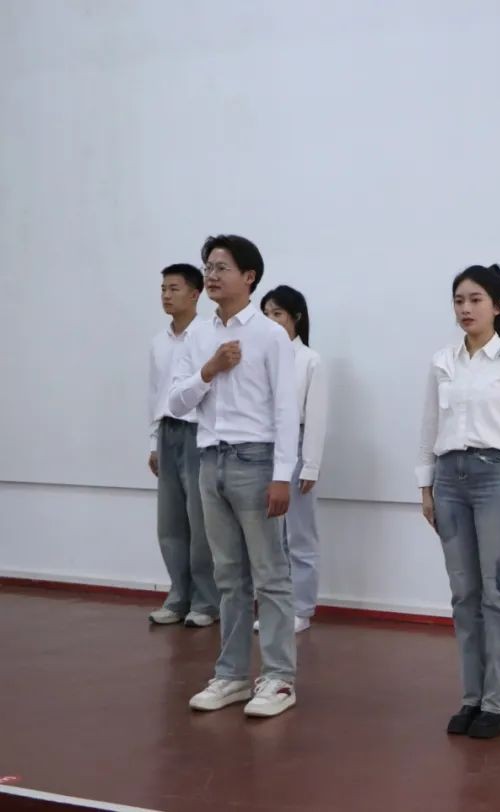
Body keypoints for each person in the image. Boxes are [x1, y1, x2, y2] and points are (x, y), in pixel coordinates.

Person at [169, 234, 300, 718]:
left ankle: (279, 678)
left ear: (249, 276)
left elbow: (286, 409)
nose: (211, 275)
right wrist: (209, 369)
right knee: (228, 577)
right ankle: (232, 675)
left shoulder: (269, 335)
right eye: (208, 266)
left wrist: (282, 475)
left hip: (256, 460)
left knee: (271, 576)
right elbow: (176, 402)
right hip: (210, 460)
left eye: (221, 267)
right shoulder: (198, 337)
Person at [416, 264, 500, 739]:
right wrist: (426, 486)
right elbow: (429, 426)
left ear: (497, 306)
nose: (465, 309)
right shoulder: (442, 362)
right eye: (459, 301)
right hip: (450, 480)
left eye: (475, 300)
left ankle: (498, 703)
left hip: (496, 480)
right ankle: (471, 697)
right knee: (464, 594)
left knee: (499, 593)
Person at [147, 263, 219, 627]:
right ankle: (178, 596)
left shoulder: (208, 335)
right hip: (167, 431)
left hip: (197, 432)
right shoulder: (158, 342)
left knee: (200, 522)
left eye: (174, 288)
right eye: (163, 289)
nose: (166, 295)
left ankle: (206, 601)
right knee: (170, 522)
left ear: (195, 294)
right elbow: (155, 393)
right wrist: (153, 441)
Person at [261, 285, 328, 633]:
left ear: (296, 318)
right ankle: (275, 606)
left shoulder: (309, 360)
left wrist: (311, 465)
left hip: (298, 446)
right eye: (266, 314)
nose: (271, 321)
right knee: (269, 537)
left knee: (299, 535)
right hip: (263, 446)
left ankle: (301, 608)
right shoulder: (260, 356)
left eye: (278, 314)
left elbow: (316, 417)